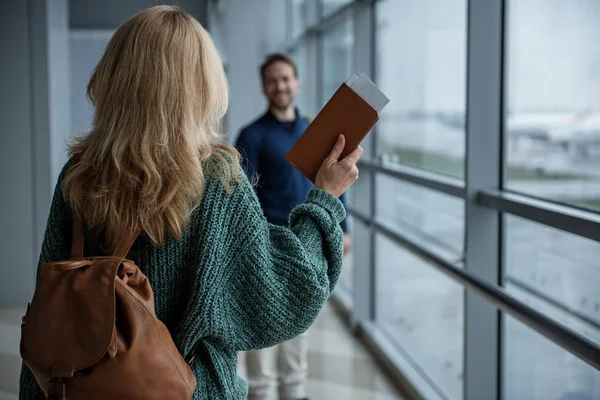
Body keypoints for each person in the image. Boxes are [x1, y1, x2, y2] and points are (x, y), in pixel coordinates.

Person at [18, 6, 362, 400]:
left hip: (77, 384)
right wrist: (324, 199)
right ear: (200, 84)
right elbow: (284, 294)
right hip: (188, 389)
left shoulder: (77, 173)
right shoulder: (216, 180)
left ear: (115, 77)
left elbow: (49, 296)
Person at [235, 54, 351, 400]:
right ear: (264, 88)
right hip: (269, 247)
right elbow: (243, 198)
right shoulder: (252, 135)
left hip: (308, 244)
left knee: (300, 330)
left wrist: (343, 227)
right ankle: (261, 394)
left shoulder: (313, 131)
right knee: (264, 330)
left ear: (297, 83)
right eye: (273, 80)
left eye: (286, 78)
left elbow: (333, 183)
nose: (280, 86)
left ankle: (295, 393)